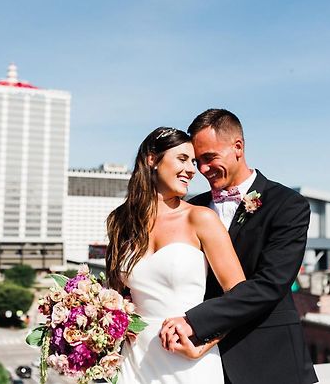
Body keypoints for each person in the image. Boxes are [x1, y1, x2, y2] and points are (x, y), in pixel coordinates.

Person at [160, 109, 318, 384]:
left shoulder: (288, 205)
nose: (203, 170)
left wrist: (196, 322)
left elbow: (271, 284)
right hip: (195, 363)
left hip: (268, 360)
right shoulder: (192, 208)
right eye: (198, 162)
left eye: (209, 158)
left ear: (238, 147)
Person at [106, 126, 246, 384]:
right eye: (182, 159)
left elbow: (240, 297)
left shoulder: (200, 218)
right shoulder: (120, 221)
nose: (193, 169)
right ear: (152, 159)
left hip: (187, 358)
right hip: (132, 361)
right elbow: (114, 295)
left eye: (193, 161)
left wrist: (203, 344)